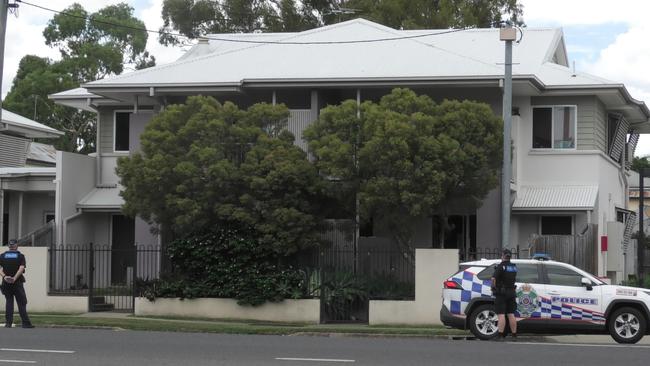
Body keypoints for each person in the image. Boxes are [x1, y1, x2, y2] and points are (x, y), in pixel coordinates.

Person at [0, 239, 33, 328]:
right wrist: (14, 278)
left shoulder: (2, 256)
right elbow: (21, 269)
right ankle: (26, 323)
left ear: (9, 246)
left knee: (9, 302)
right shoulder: (20, 256)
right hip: (17, 283)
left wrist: (4, 277)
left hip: (6, 283)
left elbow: (0, 269)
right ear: (16, 246)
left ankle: (8, 323)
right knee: (22, 302)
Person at [491, 248, 517, 340]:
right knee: (511, 314)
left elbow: (493, 279)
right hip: (512, 292)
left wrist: (493, 288)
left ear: (503, 256)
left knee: (501, 314)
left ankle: (500, 335)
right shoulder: (514, 267)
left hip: (501, 293)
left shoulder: (501, 266)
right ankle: (514, 335)